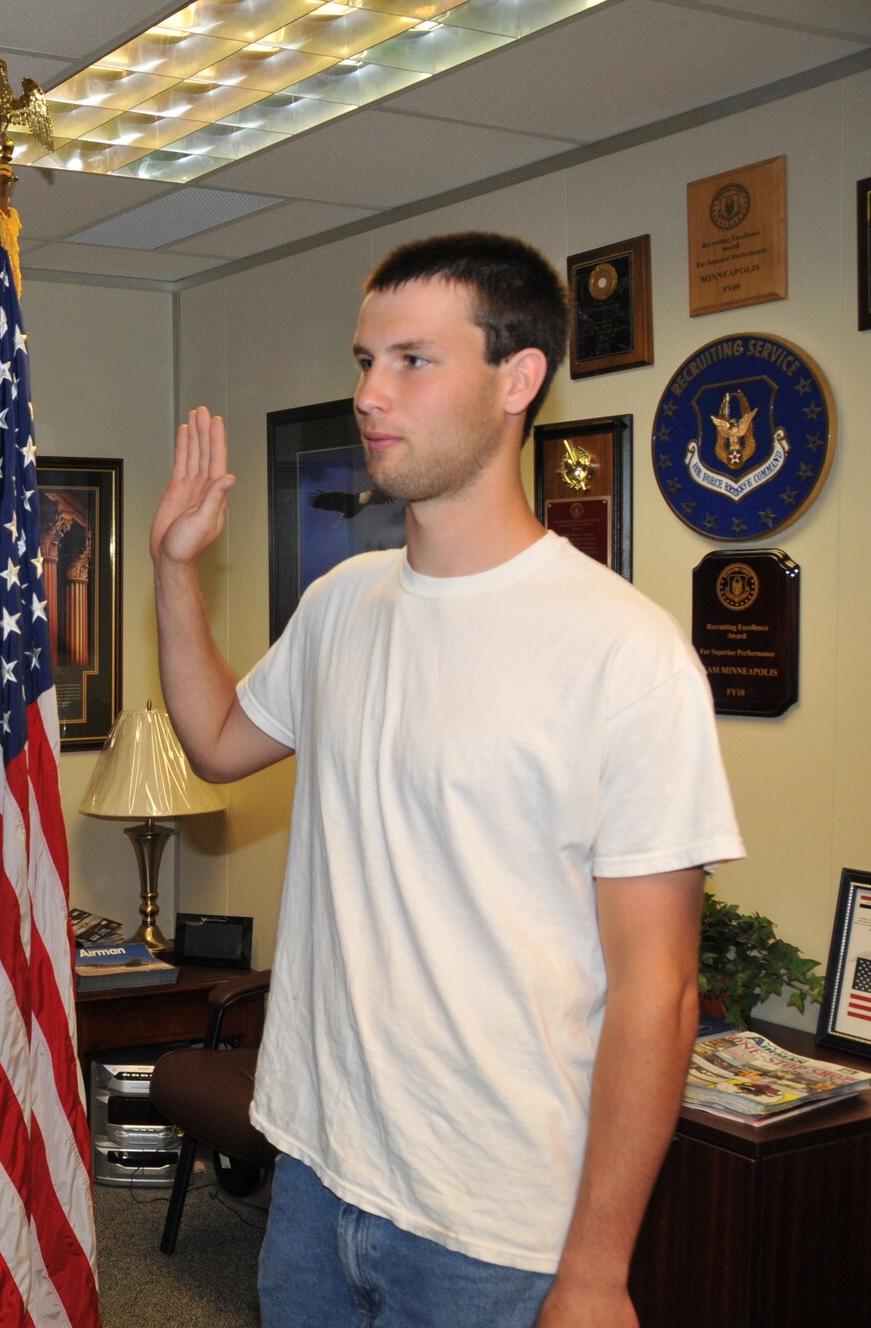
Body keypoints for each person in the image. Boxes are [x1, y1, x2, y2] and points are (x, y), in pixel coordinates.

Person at [151, 232, 743, 1327]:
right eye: (363, 360)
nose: (369, 394)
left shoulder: (622, 651)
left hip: (491, 1224)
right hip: (319, 1167)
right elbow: (219, 742)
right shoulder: (343, 602)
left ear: (516, 379)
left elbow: (656, 992)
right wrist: (173, 567)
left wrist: (597, 1268)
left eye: (411, 361)